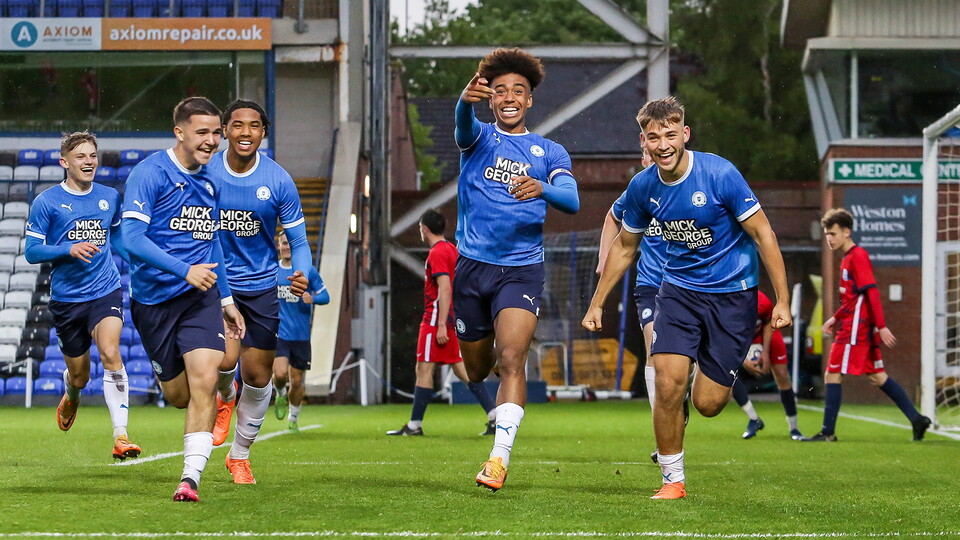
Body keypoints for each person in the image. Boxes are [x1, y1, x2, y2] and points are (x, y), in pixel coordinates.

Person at [582, 96, 791, 500]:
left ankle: (709, 377)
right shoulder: (643, 186)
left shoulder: (720, 174)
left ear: (685, 134)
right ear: (644, 141)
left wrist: (781, 300)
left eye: (670, 135)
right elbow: (625, 247)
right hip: (677, 292)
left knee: (709, 404)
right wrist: (597, 303)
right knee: (666, 381)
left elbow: (764, 234)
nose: (663, 144)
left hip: (733, 296)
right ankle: (672, 480)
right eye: (654, 137)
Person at [455, 48, 580, 492]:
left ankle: (498, 459)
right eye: (500, 90)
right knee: (475, 368)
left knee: (512, 359)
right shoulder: (479, 138)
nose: (509, 97)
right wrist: (464, 101)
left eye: (518, 91)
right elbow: (461, 125)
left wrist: (542, 187)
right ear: (491, 100)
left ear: (529, 101)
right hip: (471, 268)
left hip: (520, 270)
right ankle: (482, 358)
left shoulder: (548, 150)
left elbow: (572, 200)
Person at [121, 96, 245, 502]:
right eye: (203, 132)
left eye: (216, 132)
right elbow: (131, 239)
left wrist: (226, 299)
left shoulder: (212, 182)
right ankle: (225, 389)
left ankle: (190, 478)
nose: (212, 140)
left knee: (204, 380)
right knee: (178, 396)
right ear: (180, 132)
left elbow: (214, 247)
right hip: (153, 302)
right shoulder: (150, 173)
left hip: (199, 297)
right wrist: (183, 270)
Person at [206, 99, 311, 485]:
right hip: (217, 285)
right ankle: (224, 397)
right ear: (224, 132)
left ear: (263, 133)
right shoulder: (206, 174)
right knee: (222, 362)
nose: (245, 132)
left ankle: (239, 456)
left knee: (259, 376)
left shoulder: (279, 180)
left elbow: (298, 240)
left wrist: (303, 271)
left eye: (254, 126)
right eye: (237, 125)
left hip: (262, 287)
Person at [25, 131, 141, 461]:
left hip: (105, 290)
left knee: (110, 351)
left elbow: (116, 237)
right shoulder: (46, 201)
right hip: (66, 299)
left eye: (92, 155)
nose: (89, 161)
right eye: (81, 157)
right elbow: (32, 252)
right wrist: (68, 248)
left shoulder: (108, 196)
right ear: (65, 162)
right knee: (80, 374)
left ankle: (121, 435)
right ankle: (72, 394)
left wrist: (137, 262)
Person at [804, 208, 931, 442]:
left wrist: (881, 326)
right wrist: (835, 318)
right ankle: (917, 420)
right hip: (855, 324)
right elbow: (855, 298)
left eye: (833, 233)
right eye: (827, 234)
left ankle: (827, 432)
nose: (829, 239)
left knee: (832, 373)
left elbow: (871, 293)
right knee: (877, 376)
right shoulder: (847, 258)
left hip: (856, 328)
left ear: (846, 232)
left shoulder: (858, 255)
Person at [386, 209, 498, 437]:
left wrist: (439, 325)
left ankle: (415, 425)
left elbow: (445, 289)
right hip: (453, 318)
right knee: (461, 369)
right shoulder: (452, 249)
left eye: (419, 227)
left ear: (425, 229)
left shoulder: (437, 253)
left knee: (424, 368)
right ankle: (495, 416)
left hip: (436, 320)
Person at [596, 148, 675, 463]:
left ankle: (678, 397)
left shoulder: (684, 188)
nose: (651, 159)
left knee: (682, 366)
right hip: (650, 285)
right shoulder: (638, 191)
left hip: (685, 286)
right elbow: (611, 217)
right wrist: (605, 259)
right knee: (654, 351)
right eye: (646, 155)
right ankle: (662, 434)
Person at [273, 230, 329, 432]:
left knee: (296, 381)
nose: (287, 247)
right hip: (279, 333)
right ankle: (280, 393)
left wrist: (312, 298)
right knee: (279, 374)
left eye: (289, 243)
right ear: (278, 246)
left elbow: (326, 296)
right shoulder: (272, 270)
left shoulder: (307, 271)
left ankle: (293, 418)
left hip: (300, 335)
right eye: (283, 243)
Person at [732, 290, 803, 440]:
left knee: (782, 375)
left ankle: (794, 428)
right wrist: (743, 361)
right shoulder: (724, 305)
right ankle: (754, 419)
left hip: (767, 332)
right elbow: (725, 337)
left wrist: (765, 352)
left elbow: (769, 321)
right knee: (727, 373)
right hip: (740, 340)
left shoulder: (761, 300)